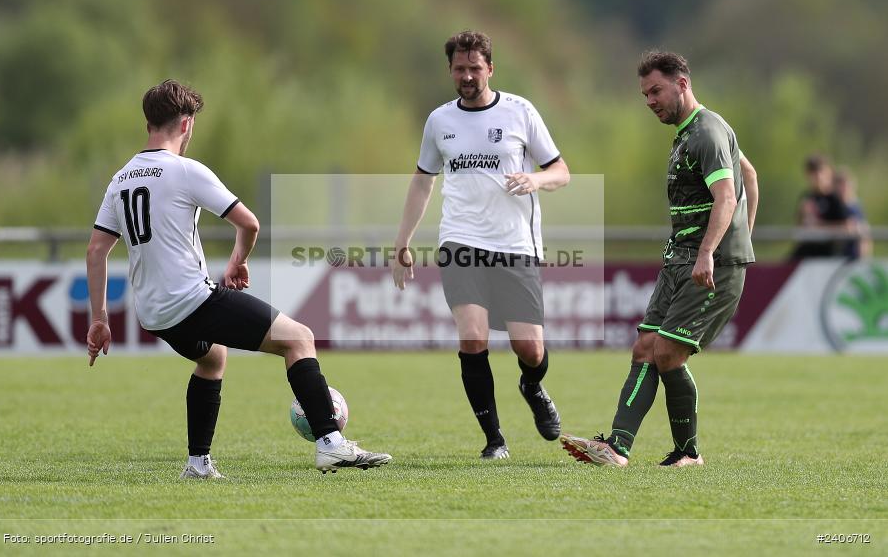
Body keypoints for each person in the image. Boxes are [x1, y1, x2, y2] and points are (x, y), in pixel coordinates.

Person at [86, 79, 391, 477]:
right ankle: (330, 442)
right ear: (187, 124)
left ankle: (198, 464)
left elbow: (96, 250)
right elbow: (248, 223)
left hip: (154, 312)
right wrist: (237, 263)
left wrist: (99, 318)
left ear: (149, 124)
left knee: (212, 357)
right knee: (299, 338)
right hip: (191, 299)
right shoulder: (184, 171)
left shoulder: (120, 180)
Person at [561, 51, 758, 467]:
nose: (649, 100)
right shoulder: (693, 132)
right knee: (645, 347)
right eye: (644, 94)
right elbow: (750, 176)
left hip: (709, 265)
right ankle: (616, 447)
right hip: (681, 259)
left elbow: (727, 194)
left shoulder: (706, 133)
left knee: (668, 352)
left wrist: (720, 250)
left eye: (656, 90)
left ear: (681, 84)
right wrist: (743, 233)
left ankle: (688, 453)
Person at [392, 30, 571, 460]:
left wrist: (536, 179)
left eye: (475, 68)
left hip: (515, 246)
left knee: (530, 349)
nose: (468, 75)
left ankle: (531, 385)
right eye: (460, 68)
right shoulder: (439, 121)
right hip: (460, 242)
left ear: (490, 68)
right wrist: (403, 241)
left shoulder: (520, 112)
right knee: (472, 338)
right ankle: (494, 440)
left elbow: (561, 170)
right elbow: (422, 181)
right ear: (450, 70)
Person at [790, 155, 851, 259]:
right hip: (807, 252)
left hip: (828, 256)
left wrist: (819, 226)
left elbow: (847, 227)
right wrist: (802, 217)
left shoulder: (834, 198)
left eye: (820, 171)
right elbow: (800, 228)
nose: (817, 176)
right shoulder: (806, 197)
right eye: (813, 172)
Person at [834, 168, 872, 260]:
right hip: (838, 257)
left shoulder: (856, 206)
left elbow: (864, 231)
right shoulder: (835, 206)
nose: (844, 189)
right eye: (841, 186)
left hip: (854, 256)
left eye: (846, 185)